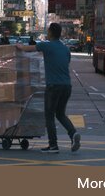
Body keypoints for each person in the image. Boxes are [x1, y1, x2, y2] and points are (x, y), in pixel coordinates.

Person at [16, 23, 80, 153]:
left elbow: (28, 49)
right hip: (67, 86)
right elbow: (65, 63)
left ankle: (53, 145)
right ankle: (73, 133)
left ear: (50, 33)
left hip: (53, 86)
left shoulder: (47, 45)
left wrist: (18, 46)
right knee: (60, 113)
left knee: (49, 115)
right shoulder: (65, 49)